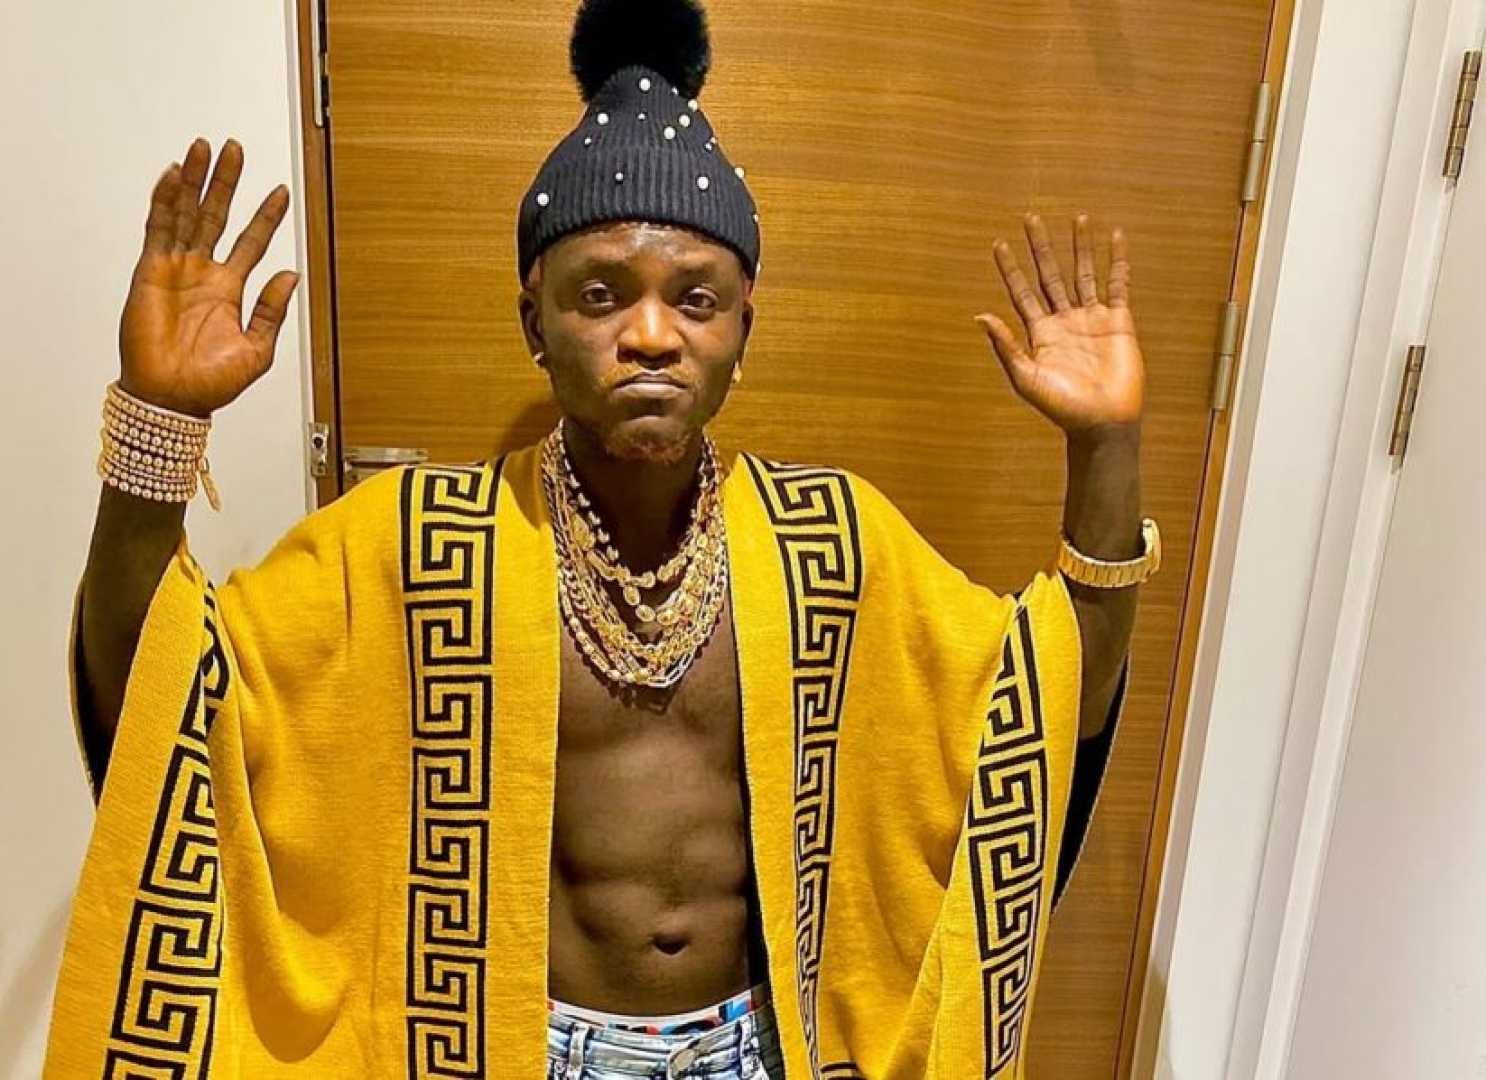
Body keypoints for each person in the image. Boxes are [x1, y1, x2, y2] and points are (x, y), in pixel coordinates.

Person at [47, 1, 1157, 1077]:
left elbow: (1044, 699)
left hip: (765, 1048)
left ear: (743, 328)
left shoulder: (833, 544)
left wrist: (1104, 447)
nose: (651, 334)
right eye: (599, 293)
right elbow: (163, 692)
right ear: (535, 323)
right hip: (510, 1049)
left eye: (696, 299)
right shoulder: (418, 546)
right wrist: (160, 422)